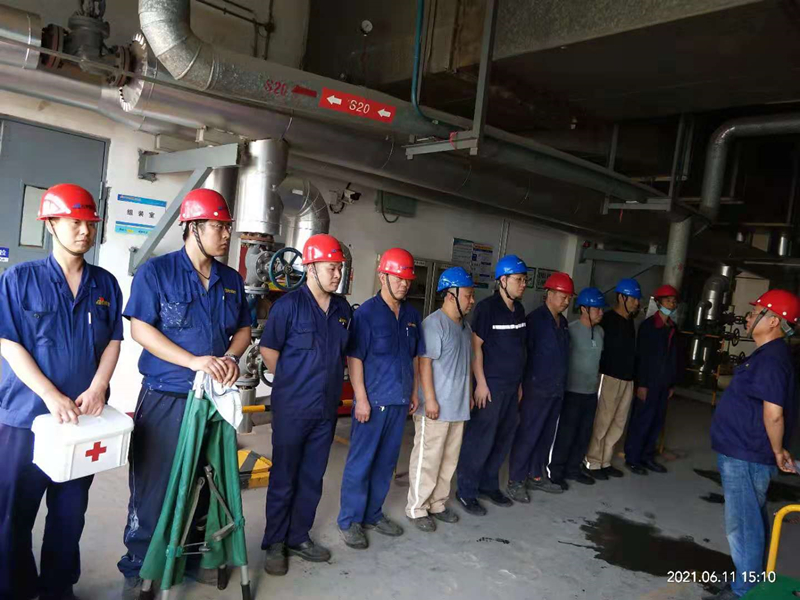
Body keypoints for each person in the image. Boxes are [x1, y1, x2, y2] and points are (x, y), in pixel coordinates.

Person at [118, 189, 251, 595]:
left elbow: (244, 328)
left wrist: (230, 357)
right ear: (193, 227)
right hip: (167, 396)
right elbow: (140, 328)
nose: (226, 235)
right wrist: (192, 361)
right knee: (155, 485)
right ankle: (140, 565)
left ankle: (194, 558)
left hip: (212, 399)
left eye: (227, 227)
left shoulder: (231, 280)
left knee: (206, 481)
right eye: (218, 227)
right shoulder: (157, 272)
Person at [0, 184, 123, 600]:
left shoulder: (104, 284)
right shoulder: (20, 279)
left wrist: (99, 386)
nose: (85, 231)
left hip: (82, 423)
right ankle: (14, 588)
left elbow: (113, 341)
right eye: (74, 222)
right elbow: (8, 343)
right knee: (13, 513)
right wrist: (50, 395)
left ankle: (58, 588)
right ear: (51, 224)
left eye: (90, 223)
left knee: (69, 514)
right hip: (26, 418)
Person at [260, 234, 351, 576]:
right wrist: (291, 383)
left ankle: (299, 536)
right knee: (284, 476)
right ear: (311, 268)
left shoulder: (342, 310)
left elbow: (345, 353)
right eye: (331, 268)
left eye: (339, 268)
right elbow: (269, 350)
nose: (337, 275)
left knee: (312, 477)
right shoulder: (288, 306)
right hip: (293, 409)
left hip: (326, 410)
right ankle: (274, 542)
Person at [705, 289, 800, 600]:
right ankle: (748, 578)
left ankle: (745, 589)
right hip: (743, 452)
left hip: (746, 455)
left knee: (743, 525)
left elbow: (774, 414)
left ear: (773, 321)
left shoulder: (771, 360)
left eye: (756, 311)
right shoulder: (767, 354)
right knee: (750, 520)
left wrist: (777, 450)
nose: (748, 317)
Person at [338, 248, 423, 549]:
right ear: (382, 276)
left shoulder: (412, 315)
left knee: (386, 463)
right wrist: (360, 399)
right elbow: (355, 359)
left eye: (407, 280)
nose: (404, 284)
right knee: (361, 463)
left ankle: (373, 514)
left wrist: (413, 391)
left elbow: (414, 357)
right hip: (373, 403)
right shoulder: (366, 314)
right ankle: (350, 520)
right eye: (398, 278)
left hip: (399, 402)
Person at [456, 255, 528, 515]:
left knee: (502, 437)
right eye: (519, 279)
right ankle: (466, 491)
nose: (523, 285)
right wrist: (481, 384)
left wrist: (519, 384)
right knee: (480, 438)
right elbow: (476, 348)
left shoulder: (519, 310)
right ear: (503, 280)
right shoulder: (487, 309)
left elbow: (520, 348)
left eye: (524, 280)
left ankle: (488, 485)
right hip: (491, 386)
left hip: (511, 385)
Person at [406, 267, 475, 532]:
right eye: (467, 295)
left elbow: (466, 364)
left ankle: (437, 503)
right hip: (435, 407)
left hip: (457, 406)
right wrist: (430, 400)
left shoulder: (465, 328)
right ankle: (417, 508)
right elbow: (424, 364)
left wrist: (468, 394)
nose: (471, 301)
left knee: (448, 460)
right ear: (450, 295)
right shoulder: (434, 324)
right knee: (428, 459)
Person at [508, 272, 573, 502]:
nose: (567, 301)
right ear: (550, 294)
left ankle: (536, 475)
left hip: (555, 389)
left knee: (546, 435)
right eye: (563, 297)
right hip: (535, 389)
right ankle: (516, 480)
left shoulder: (563, 323)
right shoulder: (535, 321)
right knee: (528, 434)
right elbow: (524, 355)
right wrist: (521, 386)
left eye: (569, 298)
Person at [547, 287, 606, 490]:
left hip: (590, 392)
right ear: (583, 309)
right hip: (571, 391)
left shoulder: (600, 332)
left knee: (583, 433)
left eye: (601, 309)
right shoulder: (570, 330)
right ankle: (556, 471)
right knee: (565, 433)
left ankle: (574, 468)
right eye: (597, 309)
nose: (600, 313)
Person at [585, 278, 641, 480]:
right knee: (602, 421)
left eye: (637, 299)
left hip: (627, 380)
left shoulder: (630, 322)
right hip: (608, 377)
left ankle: (605, 461)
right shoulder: (607, 320)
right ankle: (592, 462)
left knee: (618, 423)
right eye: (633, 298)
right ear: (621, 297)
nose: (636, 303)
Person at [624, 284, 679, 475]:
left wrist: (671, 384)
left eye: (673, 301)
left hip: (663, 384)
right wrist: (642, 384)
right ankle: (633, 458)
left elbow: (673, 357)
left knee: (656, 421)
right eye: (668, 300)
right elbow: (642, 357)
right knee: (642, 420)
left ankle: (647, 457)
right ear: (658, 303)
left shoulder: (672, 327)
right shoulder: (648, 327)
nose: (671, 304)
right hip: (649, 383)